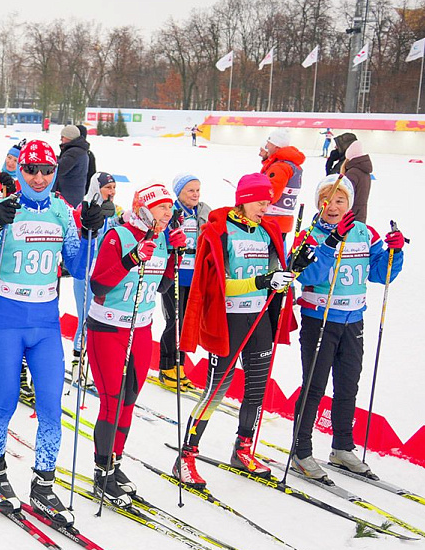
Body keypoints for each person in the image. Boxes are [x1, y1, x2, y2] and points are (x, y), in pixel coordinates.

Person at [0, 140, 98, 525]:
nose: (39, 177)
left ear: (56, 171)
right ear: (19, 171)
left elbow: (78, 265)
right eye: (31, 170)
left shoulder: (62, 211)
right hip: (7, 319)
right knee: (5, 401)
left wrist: (88, 233)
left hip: (46, 323)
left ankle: (43, 482)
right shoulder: (2, 208)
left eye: (46, 170)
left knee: (50, 408)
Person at [173, 173, 299, 487]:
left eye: (268, 201)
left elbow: (274, 277)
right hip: (227, 321)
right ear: (243, 199)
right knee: (215, 391)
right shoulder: (219, 232)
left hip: (258, 322)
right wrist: (261, 281)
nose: (265, 206)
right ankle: (185, 456)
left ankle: (242, 449)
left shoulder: (268, 232)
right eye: (260, 201)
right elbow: (219, 286)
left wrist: (286, 275)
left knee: (256, 389)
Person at [289, 176, 404, 479]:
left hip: (353, 320)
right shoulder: (308, 234)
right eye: (326, 200)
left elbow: (382, 274)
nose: (333, 206)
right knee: (314, 386)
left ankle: (342, 447)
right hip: (320, 320)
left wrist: (395, 251)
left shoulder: (365, 233)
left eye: (340, 200)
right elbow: (305, 272)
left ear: (349, 204)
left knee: (348, 384)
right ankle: (301, 450)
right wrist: (331, 242)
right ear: (318, 203)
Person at [86, 185, 183, 505]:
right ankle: (102, 472)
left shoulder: (163, 240)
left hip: (141, 328)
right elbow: (98, 282)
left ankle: (115, 464)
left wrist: (174, 258)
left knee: (129, 400)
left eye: (170, 208)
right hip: (109, 326)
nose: (168, 214)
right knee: (112, 401)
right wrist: (130, 259)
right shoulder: (119, 235)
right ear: (144, 208)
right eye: (162, 208)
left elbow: (162, 286)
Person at [158, 173, 210, 391]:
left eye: (197, 190)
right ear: (179, 193)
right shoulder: (172, 213)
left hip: (194, 276)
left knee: (187, 323)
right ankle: (166, 366)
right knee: (174, 321)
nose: (195, 194)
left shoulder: (202, 212)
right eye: (190, 190)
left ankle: (180, 365)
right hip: (174, 275)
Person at [70, 173, 122, 383]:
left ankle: (95, 365)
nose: (112, 191)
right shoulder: (85, 207)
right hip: (85, 272)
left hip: (103, 273)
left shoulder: (114, 209)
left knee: (99, 320)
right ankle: (77, 365)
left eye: (114, 187)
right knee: (85, 319)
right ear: (96, 187)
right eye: (108, 187)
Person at [258, 128, 305, 237]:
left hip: (271, 221)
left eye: (268, 145)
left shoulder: (280, 167)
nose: (267, 147)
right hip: (281, 222)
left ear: (276, 146)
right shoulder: (292, 166)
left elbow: (271, 194)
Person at [340, 139, 372, 227]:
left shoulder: (353, 173)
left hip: (351, 214)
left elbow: (346, 194)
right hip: (361, 211)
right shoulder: (365, 171)